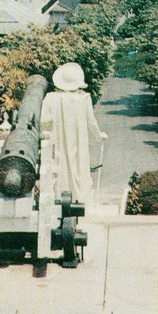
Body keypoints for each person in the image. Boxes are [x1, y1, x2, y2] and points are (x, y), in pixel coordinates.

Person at [39, 62, 107, 206]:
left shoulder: (51, 98)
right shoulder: (83, 99)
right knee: (78, 165)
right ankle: (79, 197)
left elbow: (43, 122)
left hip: (57, 143)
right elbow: (91, 122)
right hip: (78, 142)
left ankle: (59, 195)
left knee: (59, 165)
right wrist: (98, 134)